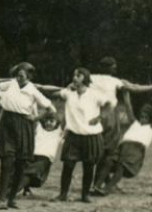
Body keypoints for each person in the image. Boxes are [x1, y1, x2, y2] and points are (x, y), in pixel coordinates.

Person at [0, 62, 55, 210]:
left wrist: (35, 118)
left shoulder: (33, 90)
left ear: (29, 76)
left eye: (21, 76)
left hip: (23, 126)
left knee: (21, 163)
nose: (18, 78)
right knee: (7, 161)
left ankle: (12, 198)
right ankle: (1, 198)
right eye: (17, 75)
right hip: (7, 125)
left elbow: (50, 108)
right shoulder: (10, 84)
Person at [39, 68, 111, 203]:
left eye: (78, 75)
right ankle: (63, 194)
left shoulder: (94, 94)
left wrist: (99, 117)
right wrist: (39, 87)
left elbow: (109, 104)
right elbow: (51, 91)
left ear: (85, 78)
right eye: (74, 75)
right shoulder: (68, 93)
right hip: (73, 135)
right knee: (68, 165)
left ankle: (85, 195)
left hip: (91, 136)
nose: (75, 77)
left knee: (89, 166)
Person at [94, 103, 152, 196]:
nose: (143, 119)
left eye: (146, 117)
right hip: (122, 148)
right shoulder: (135, 123)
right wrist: (126, 94)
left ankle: (107, 189)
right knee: (108, 161)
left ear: (150, 119)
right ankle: (96, 186)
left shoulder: (151, 128)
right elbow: (129, 108)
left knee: (121, 166)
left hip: (135, 151)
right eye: (142, 116)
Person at [20, 116, 63, 197]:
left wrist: (54, 115)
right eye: (47, 120)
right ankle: (13, 190)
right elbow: (34, 118)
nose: (49, 123)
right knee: (28, 173)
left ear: (57, 122)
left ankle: (11, 190)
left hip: (45, 158)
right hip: (32, 155)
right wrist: (46, 113)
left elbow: (65, 120)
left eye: (51, 121)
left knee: (33, 175)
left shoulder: (58, 132)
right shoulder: (39, 127)